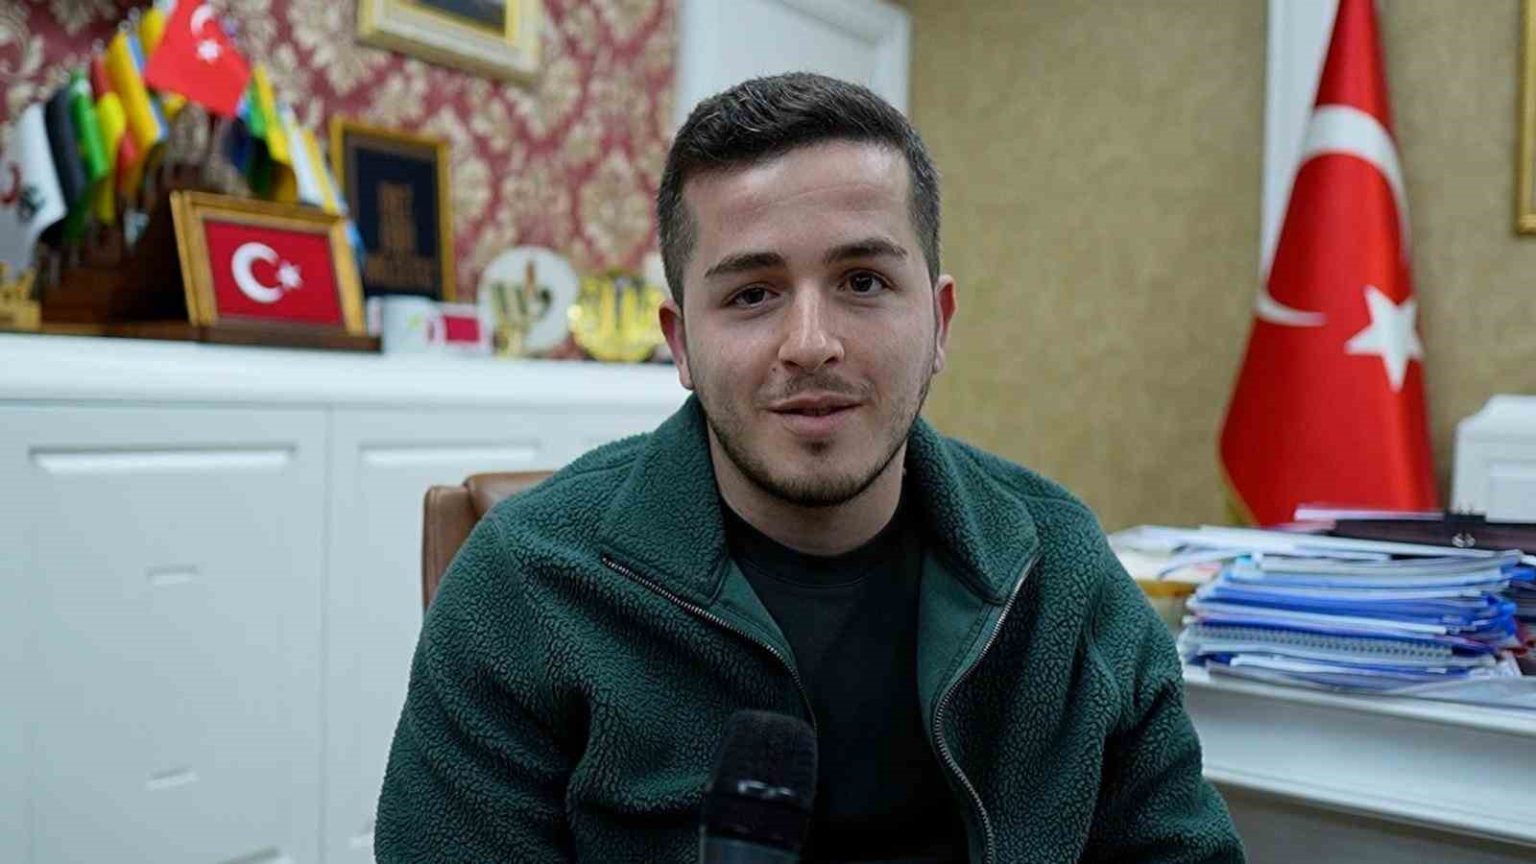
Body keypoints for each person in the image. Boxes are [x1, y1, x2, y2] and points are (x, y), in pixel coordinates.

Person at [375, 72, 1244, 864]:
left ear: (939, 323)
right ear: (681, 344)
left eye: (863, 281)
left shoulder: (1061, 574)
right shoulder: (525, 588)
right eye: (752, 294)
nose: (811, 344)